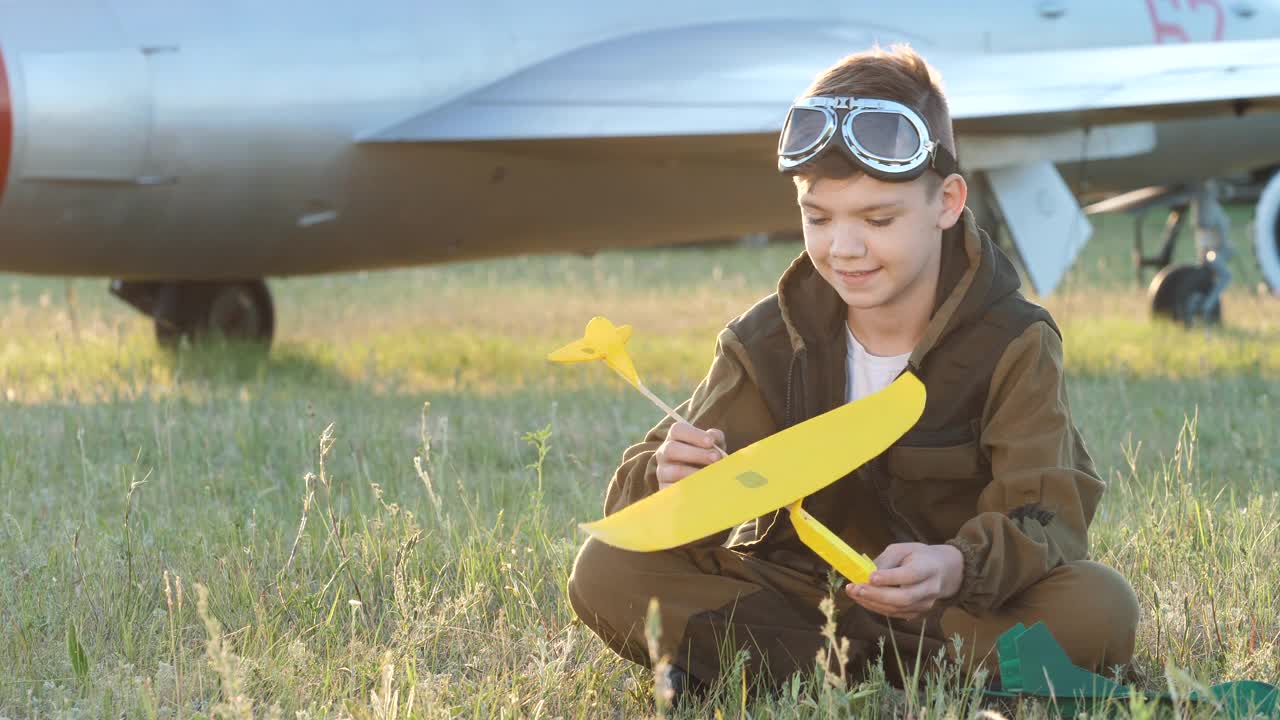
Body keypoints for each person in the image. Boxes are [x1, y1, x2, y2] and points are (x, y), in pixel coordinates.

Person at [566, 44, 1139, 701]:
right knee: (605, 569)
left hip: (946, 612)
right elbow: (636, 516)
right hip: (796, 600)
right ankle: (902, 683)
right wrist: (668, 478)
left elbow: (1047, 515)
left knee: (1100, 606)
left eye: (878, 218)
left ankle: (766, 674)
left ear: (947, 202)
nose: (844, 248)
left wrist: (954, 565)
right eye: (818, 217)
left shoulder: (1013, 339)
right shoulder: (766, 341)